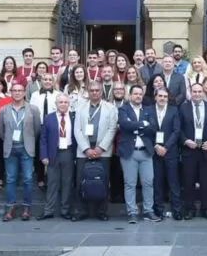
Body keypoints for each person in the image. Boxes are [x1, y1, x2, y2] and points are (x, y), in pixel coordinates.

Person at [72, 81, 119, 221]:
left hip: (102, 151)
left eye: (97, 90)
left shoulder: (110, 108)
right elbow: (77, 129)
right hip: (83, 151)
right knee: (81, 180)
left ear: (101, 92)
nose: (94, 92)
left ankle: (102, 211)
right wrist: (86, 148)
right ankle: (81, 210)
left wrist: (100, 148)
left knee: (103, 180)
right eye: (91, 90)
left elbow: (112, 129)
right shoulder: (80, 107)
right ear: (88, 91)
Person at [0, 82, 42, 221]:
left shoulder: (33, 109)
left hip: (26, 148)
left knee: (28, 179)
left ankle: (27, 207)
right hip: (10, 148)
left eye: (20, 90)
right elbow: (0, 130)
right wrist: (9, 140)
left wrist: (28, 140)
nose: (17, 93)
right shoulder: (4, 110)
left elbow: (37, 130)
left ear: (24, 93)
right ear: (11, 92)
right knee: (10, 179)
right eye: (14, 90)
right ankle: (10, 206)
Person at [118, 85, 161, 223]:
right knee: (130, 183)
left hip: (146, 152)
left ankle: (148, 211)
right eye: (135, 94)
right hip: (129, 152)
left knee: (148, 182)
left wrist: (135, 126)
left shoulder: (148, 110)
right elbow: (124, 125)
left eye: (140, 94)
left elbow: (153, 127)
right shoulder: (123, 109)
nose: (138, 96)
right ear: (130, 95)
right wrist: (143, 124)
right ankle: (132, 212)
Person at [180, 83, 207, 220]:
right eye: (194, 91)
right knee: (188, 181)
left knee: (205, 181)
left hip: (205, 149)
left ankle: (206, 209)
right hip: (189, 149)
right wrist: (185, 141)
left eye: (199, 91)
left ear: (203, 92)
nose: (197, 94)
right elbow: (179, 128)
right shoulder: (183, 108)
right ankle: (189, 209)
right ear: (190, 92)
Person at [37, 93, 76, 221]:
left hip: (68, 153)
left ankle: (65, 210)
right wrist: (44, 155)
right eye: (61, 102)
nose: (63, 104)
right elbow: (43, 139)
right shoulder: (49, 118)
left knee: (67, 182)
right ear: (56, 104)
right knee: (52, 183)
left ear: (69, 104)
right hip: (53, 153)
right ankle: (49, 210)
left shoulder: (74, 117)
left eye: (65, 102)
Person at [149, 87, 183, 220]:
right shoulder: (148, 111)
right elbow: (147, 131)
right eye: (160, 96)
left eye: (165, 96)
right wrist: (156, 146)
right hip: (155, 151)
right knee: (157, 182)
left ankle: (177, 210)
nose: (162, 98)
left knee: (173, 182)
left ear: (168, 98)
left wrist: (166, 147)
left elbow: (176, 131)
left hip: (170, 152)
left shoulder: (174, 110)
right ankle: (158, 209)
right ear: (155, 97)